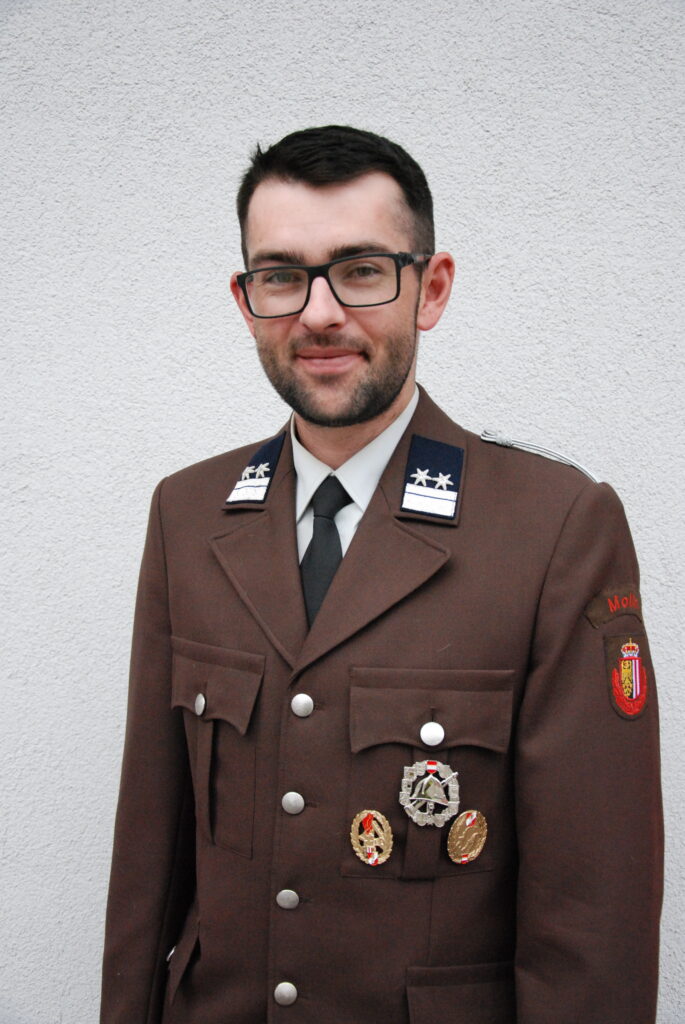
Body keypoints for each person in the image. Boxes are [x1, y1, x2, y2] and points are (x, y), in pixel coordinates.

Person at [101, 126, 663, 1024]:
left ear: (429, 289)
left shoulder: (553, 527)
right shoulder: (188, 514)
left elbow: (592, 914)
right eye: (281, 276)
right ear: (245, 301)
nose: (319, 314)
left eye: (361, 270)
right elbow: (148, 857)